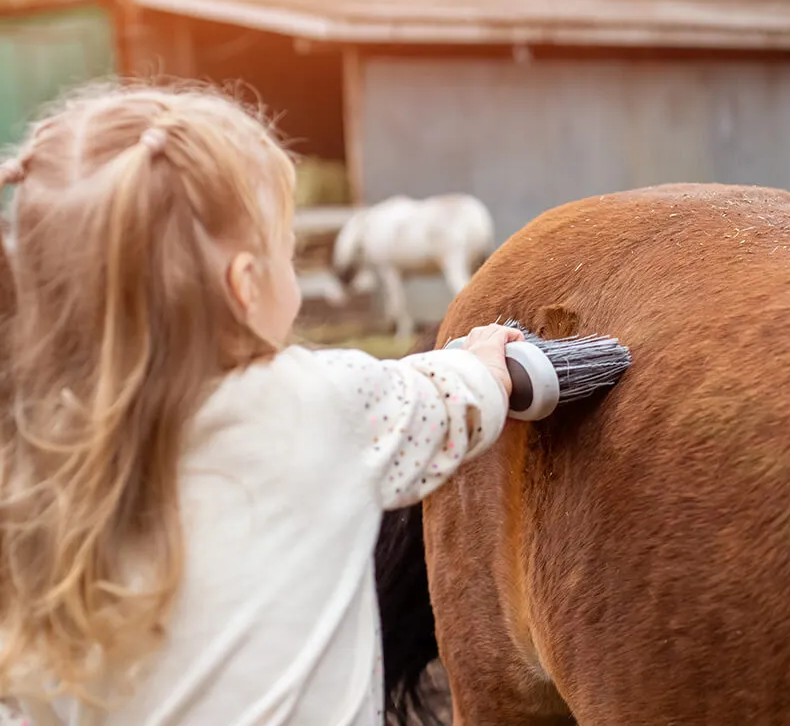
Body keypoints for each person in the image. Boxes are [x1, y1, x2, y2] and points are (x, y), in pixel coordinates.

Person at [0, 82, 521, 724]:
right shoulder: (326, 403)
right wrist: (486, 364)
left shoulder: (26, 456)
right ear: (246, 285)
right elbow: (450, 403)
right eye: (286, 250)